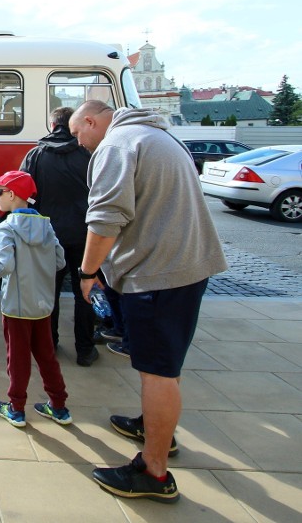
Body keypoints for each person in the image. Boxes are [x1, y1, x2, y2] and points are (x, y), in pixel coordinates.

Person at [69, 100, 227, 503]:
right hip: (187, 267)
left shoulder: (118, 145)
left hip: (157, 275)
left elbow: (105, 218)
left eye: (77, 133)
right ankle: (155, 429)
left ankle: (154, 472)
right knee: (167, 364)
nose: (79, 141)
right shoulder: (159, 135)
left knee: (156, 371)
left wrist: (88, 273)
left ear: (91, 120)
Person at [0, 170, 70, 429]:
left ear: (12, 195)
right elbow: (60, 261)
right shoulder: (46, 225)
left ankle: (16, 408)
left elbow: (4, 264)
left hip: (17, 305)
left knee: (16, 358)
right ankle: (59, 406)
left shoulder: (6, 227)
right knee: (46, 356)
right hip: (43, 304)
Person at [19, 106, 98, 366]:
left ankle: (48, 345)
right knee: (84, 292)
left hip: (47, 237)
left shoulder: (36, 155)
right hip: (84, 237)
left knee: (47, 293)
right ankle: (85, 350)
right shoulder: (89, 154)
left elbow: (23, 196)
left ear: (52, 125)